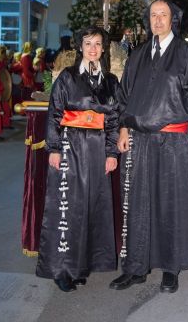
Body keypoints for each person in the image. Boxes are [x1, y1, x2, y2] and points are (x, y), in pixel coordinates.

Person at [109, 0, 188, 293]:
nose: (157, 20)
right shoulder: (139, 55)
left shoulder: (186, 54)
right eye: (153, 15)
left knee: (173, 202)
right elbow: (124, 97)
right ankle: (135, 267)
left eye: (163, 15)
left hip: (174, 143)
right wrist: (123, 128)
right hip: (139, 142)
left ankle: (171, 267)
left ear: (173, 20)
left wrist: (184, 125)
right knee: (137, 204)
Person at [36, 27, 120, 292]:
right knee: (68, 209)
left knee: (92, 207)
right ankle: (62, 268)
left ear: (103, 48)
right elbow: (54, 113)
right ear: (80, 47)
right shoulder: (67, 78)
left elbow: (114, 119)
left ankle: (82, 264)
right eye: (88, 43)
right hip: (70, 147)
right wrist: (54, 148)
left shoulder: (110, 82)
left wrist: (111, 152)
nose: (92, 49)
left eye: (97, 44)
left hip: (96, 151)